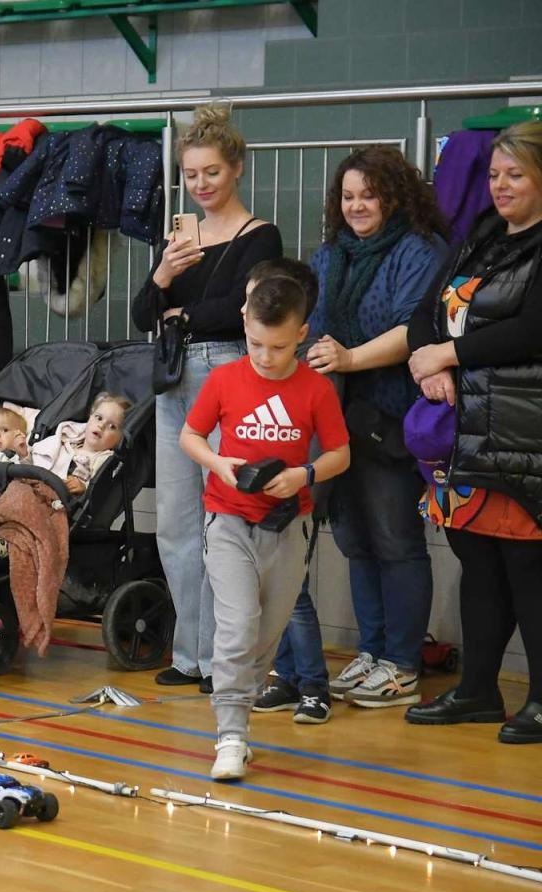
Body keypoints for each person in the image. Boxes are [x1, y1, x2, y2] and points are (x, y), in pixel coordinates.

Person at [287, 147, 451, 713]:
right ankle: (373, 650)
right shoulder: (332, 254)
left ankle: (403, 663)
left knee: (395, 539)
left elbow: (417, 328)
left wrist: (350, 359)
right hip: (336, 418)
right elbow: (313, 324)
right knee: (355, 540)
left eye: (369, 194)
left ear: (394, 195)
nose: (356, 205)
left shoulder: (420, 250)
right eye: (348, 196)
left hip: (393, 414)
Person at [132, 104, 283, 693]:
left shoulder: (259, 235)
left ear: (237, 169)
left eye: (212, 172)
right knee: (176, 522)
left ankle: (228, 659)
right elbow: (142, 313)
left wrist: (182, 311)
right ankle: (191, 652)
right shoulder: (181, 237)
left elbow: (245, 311)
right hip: (175, 380)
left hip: (227, 374)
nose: (201, 184)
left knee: (224, 523)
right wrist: (164, 276)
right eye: (192, 175)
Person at [403, 121, 542, 746]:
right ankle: (479, 689)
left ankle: (540, 699)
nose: (501, 185)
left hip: (523, 431)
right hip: (466, 431)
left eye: (516, 174)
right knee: (478, 561)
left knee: (527, 567)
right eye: (494, 174)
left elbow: (531, 331)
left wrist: (449, 358)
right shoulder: (482, 234)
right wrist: (426, 360)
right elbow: (426, 313)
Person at [180, 273, 349, 781]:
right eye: (255, 343)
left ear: (302, 334)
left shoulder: (316, 389)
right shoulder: (225, 379)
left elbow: (340, 453)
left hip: (287, 525)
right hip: (228, 520)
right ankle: (230, 733)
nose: (265, 355)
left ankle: (242, 706)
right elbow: (191, 435)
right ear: (244, 324)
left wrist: (306, 474)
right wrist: (218, 463)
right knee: (236, 627)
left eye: (277, 346)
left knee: (266, 633)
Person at [240, 258, 334, 724]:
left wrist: (304, 481)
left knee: (294, 593)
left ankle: (315, 685)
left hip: (293, 503)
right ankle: (289, 676)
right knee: (269, 595)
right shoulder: (247, 373)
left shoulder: (309, 379)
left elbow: (326, 448)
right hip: (250, 507)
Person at [26, 393, 130, 497]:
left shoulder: (104, 459)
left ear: (119, 439)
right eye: (99, 418)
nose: (101, 425)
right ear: (89, 419)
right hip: (34, 485)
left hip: (58, 501)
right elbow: (36, 462)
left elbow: (102, 489)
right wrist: (24, 455)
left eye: (112, 426)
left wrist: (84, 487)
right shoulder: (64, 442)